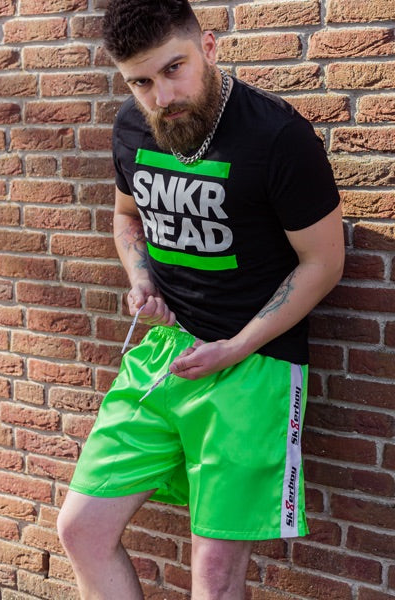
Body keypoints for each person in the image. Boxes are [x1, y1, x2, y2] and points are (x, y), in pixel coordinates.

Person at [57, 1, 345, 598]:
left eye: (173, 69)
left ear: (208, 47)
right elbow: (126, 217)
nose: (161, 97)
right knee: (82, 528)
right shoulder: (132, 126)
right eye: (140, 81)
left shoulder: (278, 136)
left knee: (213, 579)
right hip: (163, 355)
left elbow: (324, 264)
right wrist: (141, 277)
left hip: (253, 366)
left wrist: (234, 347)